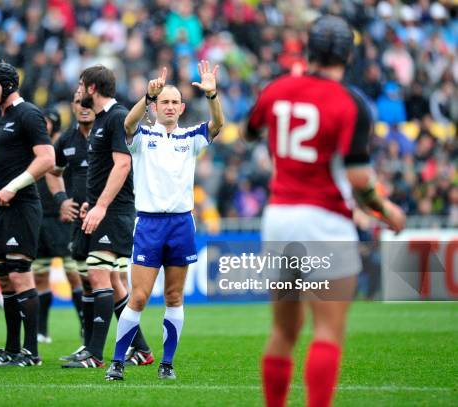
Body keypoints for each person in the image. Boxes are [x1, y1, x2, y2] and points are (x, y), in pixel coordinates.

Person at [244, 16, 405, 407]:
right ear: (349, 55)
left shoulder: (276, 89)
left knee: (284, 331)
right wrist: (386, 210)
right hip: (326, 221)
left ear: (308, 49)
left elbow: (251, 131)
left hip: (279, 218)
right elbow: (359, 181)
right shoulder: (352, 104)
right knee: (327, 331)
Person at [105, 61, 224, 381]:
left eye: (174, 102)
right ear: (155, 107)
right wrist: (146, 95)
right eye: (164, 102)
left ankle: (167, 364)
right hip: (149, 225)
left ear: (182, 107)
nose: (170, 106)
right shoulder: (142, 135)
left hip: (181, 224)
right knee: (140, 297)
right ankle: (117, 362)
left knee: (174, 297)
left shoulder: (191, 137)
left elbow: (217, 125)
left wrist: (213, 95)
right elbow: (127, 125)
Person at [62, 65, 151, 368]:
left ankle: (94, 355)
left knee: (98, 274)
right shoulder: (102, 120)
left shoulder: (115, 117)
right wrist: (92, 202)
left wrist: (100, 206)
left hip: (115, 211)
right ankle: (141, 349)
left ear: (90, 89)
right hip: (105, 208)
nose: (77, 91)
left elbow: (122, 165)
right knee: (112, 281)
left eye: (80, 85)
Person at [0, 62, 54, 367]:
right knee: (5, 279)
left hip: (22, 207)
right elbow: (2, 163)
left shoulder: (29, 114)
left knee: (21, 276)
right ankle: (11, 349)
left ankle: (31, 352)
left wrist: (12, 187)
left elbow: (47, 159)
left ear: (8, 85)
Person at [32, 108, 84, 344]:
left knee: (73, 273)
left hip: (62, 216)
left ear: (54, 124)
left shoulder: (62, 147)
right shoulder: (33, 148)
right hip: (38, 217)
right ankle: (41, 330)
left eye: (46, 122)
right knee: (40, 275)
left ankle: (85, 325)